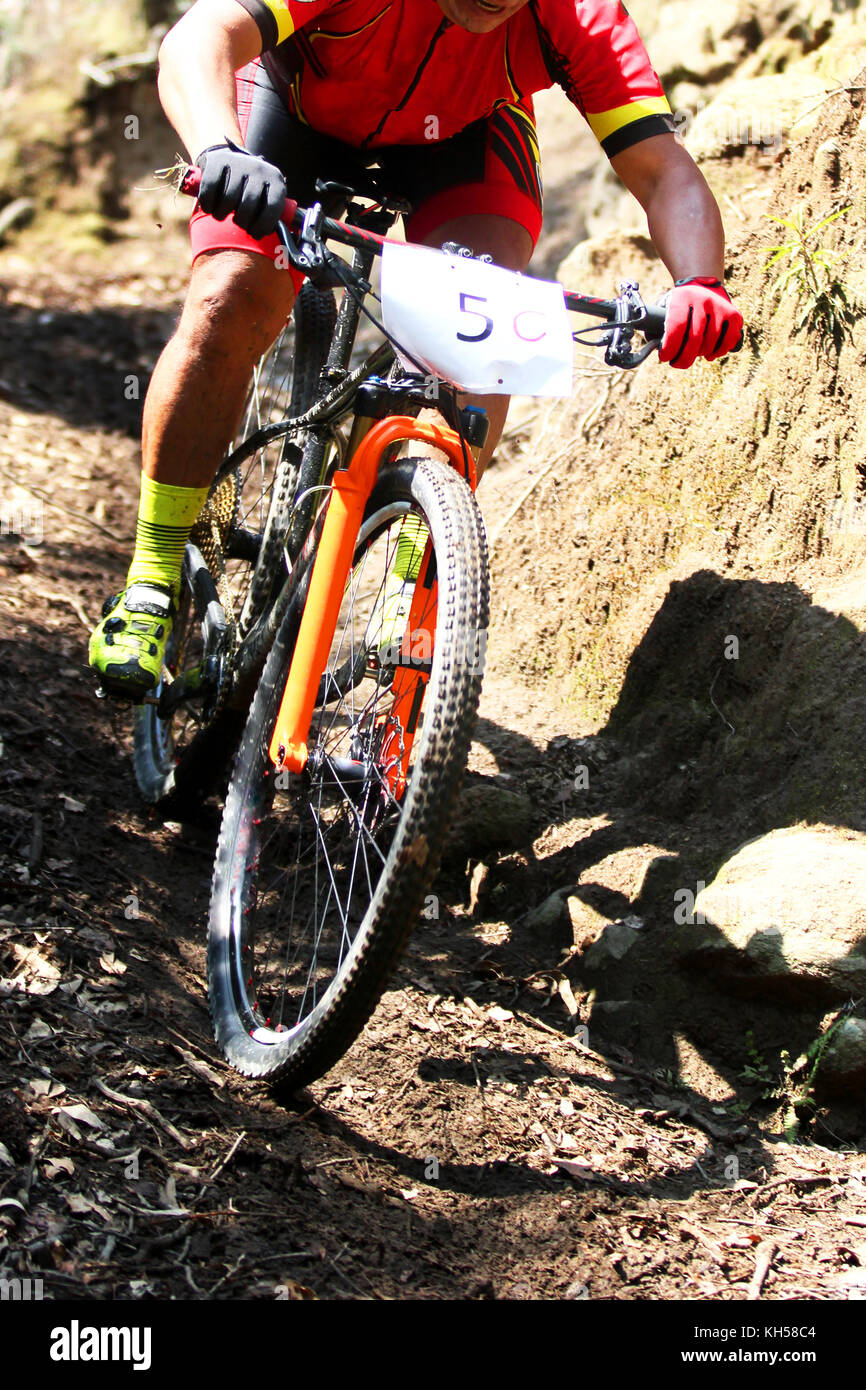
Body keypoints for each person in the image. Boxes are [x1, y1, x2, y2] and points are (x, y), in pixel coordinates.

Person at [89, 0, 743, 700]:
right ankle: (154, 578)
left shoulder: (577, 13)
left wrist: (700, 283)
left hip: (461, 139)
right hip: (296, 109)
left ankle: (413, 579)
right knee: (230, 296)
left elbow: (661, 168)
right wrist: (220, 150)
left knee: (483, 332)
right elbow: (200, 37)